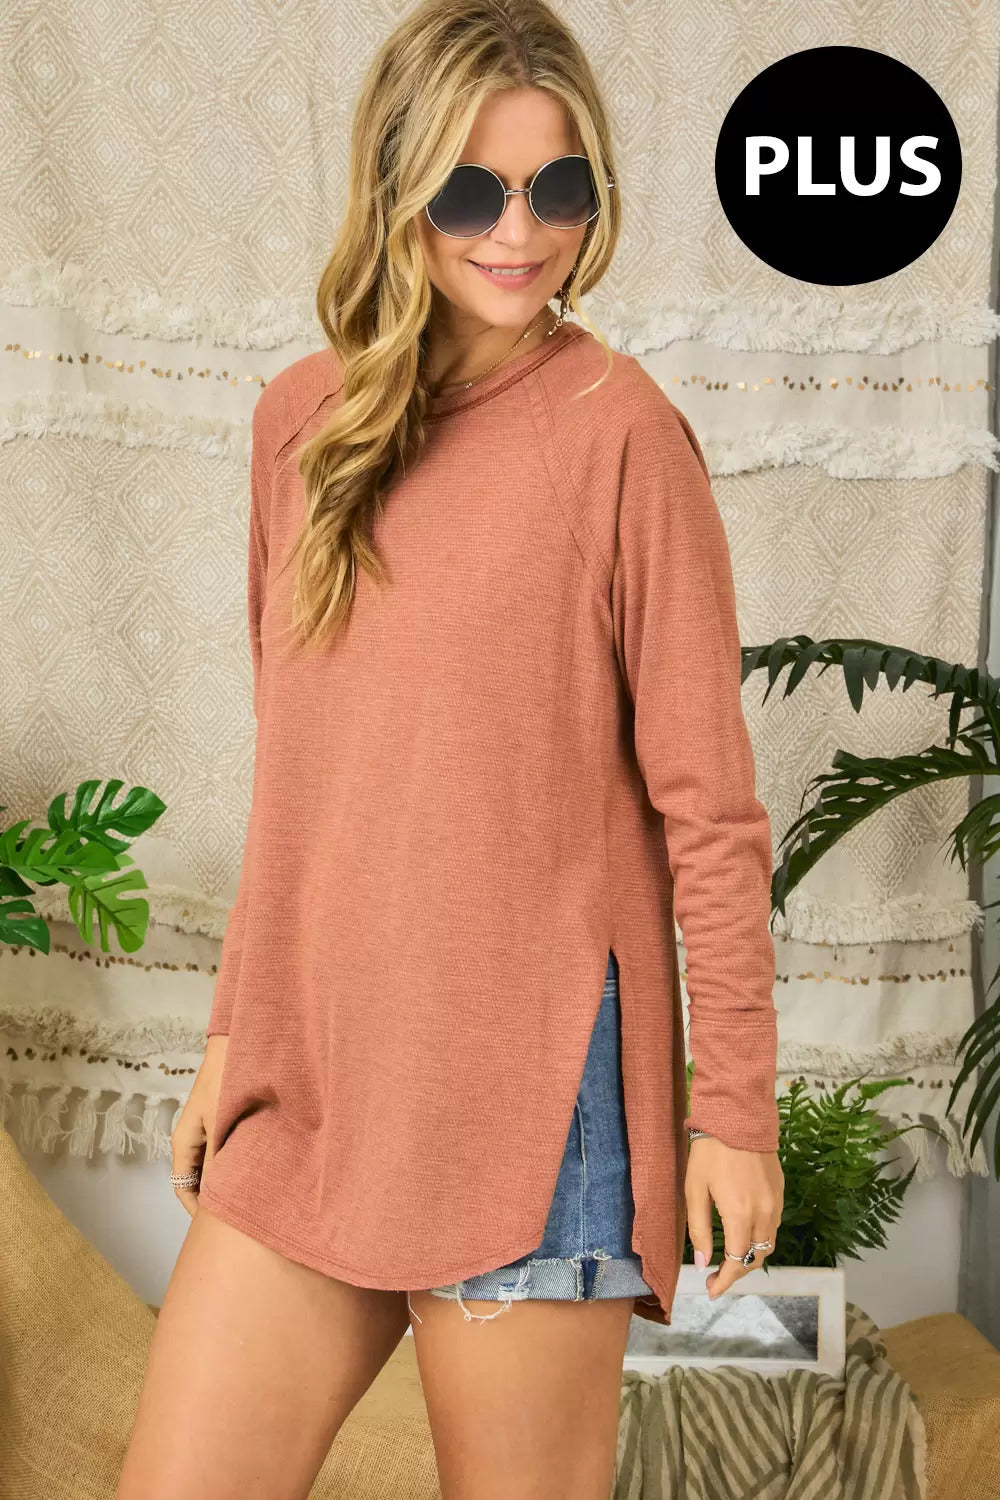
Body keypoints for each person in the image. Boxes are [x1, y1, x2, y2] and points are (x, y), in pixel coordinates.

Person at [117, 1, 784, 1497]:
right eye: (473, 191)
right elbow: (301, 781)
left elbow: (712, 813)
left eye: (560, 188)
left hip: (533, 1092)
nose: (520, 233)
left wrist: (734, 1113)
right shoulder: (300, 426)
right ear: (397, 191)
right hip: (324, 1069)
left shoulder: (622, 434)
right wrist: (231, 1036)